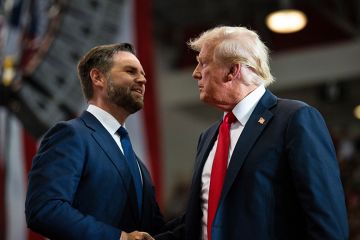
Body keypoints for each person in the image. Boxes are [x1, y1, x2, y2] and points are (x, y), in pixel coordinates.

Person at [156, 26, 349, 240]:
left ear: (233, 71)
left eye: (203, 63)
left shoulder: (294, 119)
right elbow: (201, 222)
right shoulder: (208, 136)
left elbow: (326, 220)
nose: (195, 73)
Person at [25, 43, 164, 240]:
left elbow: (154, 230)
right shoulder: (71, 135)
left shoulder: (136, 163)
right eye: (130, 71)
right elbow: (45, 208)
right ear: (98, 77)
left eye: (142, 73)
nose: (143, 79)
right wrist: (119, 237)